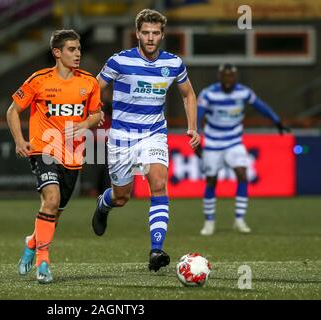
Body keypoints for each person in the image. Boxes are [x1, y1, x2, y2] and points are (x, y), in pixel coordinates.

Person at [91, 9, 200, 272]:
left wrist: (192, 127)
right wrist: (92, 113)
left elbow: (188, 95)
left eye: (155, 33)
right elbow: (95, 88)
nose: (150, 38)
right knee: (121, 197)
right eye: (146, 33)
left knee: (159, 184)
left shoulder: (173, 63)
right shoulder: (118, 61)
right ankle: (104, 205)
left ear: (162, 35)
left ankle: (156, 250)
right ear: (137, 33)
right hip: (121, 138)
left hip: (153, 134)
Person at [6, 29, 102, 284]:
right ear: (57, 53)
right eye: (72, 49)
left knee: (54, 214)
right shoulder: (38, 80)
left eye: (79, 49)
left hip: (73, 156)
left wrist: (84, 125)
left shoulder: (89, 82)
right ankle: (43, 262)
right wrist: (19, 140)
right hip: (44, 151)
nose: (78, 53)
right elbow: (12, 111)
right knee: (51, 199)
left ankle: (32, 241)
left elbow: (97, 115)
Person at [196, 63, 290, 236]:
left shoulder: (244, 92)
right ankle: (209, 221)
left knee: (242, 174)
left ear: (235, 77)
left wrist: (277, 121)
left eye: (231, 76)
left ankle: (239, 219)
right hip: (213, 143)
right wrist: (196, 137)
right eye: (225, 76)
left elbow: (261, 107)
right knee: (211, 180)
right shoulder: (208, 94)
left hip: (234, 142)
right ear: (219, 77)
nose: (228, 79)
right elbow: (198, 115)